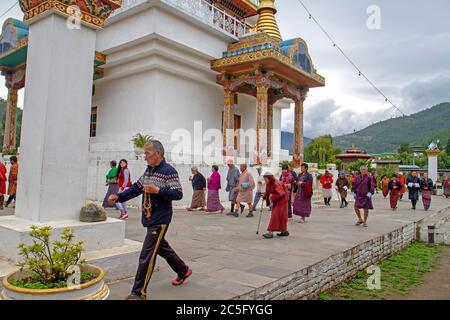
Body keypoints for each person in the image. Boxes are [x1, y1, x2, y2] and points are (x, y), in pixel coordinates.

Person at [108, 140, 191, 300]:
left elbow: (178, 193)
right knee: (161, 248)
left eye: (147, 153)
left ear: (157, 154)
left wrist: (158, 190)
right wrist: (118, 196)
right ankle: (183, 270)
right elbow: (136, 188)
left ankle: (138, 293)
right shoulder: (148, 171)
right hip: (149, 217)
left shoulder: (169, 171)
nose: (144, 157)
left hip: (160, 219)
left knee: (147, 255)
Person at [262, 172, 289, 239]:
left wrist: (272, 197)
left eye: (266, 179)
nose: (265, 181)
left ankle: (270, 232)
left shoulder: (277, 183)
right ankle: (284, 231)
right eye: (264, 179)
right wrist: (265, 196)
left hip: (282, 201)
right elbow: (269, 191)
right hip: (278, 201)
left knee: (275, 216)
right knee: (281, 217)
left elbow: (281, 193)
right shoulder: (269, 184)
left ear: (270, 178)